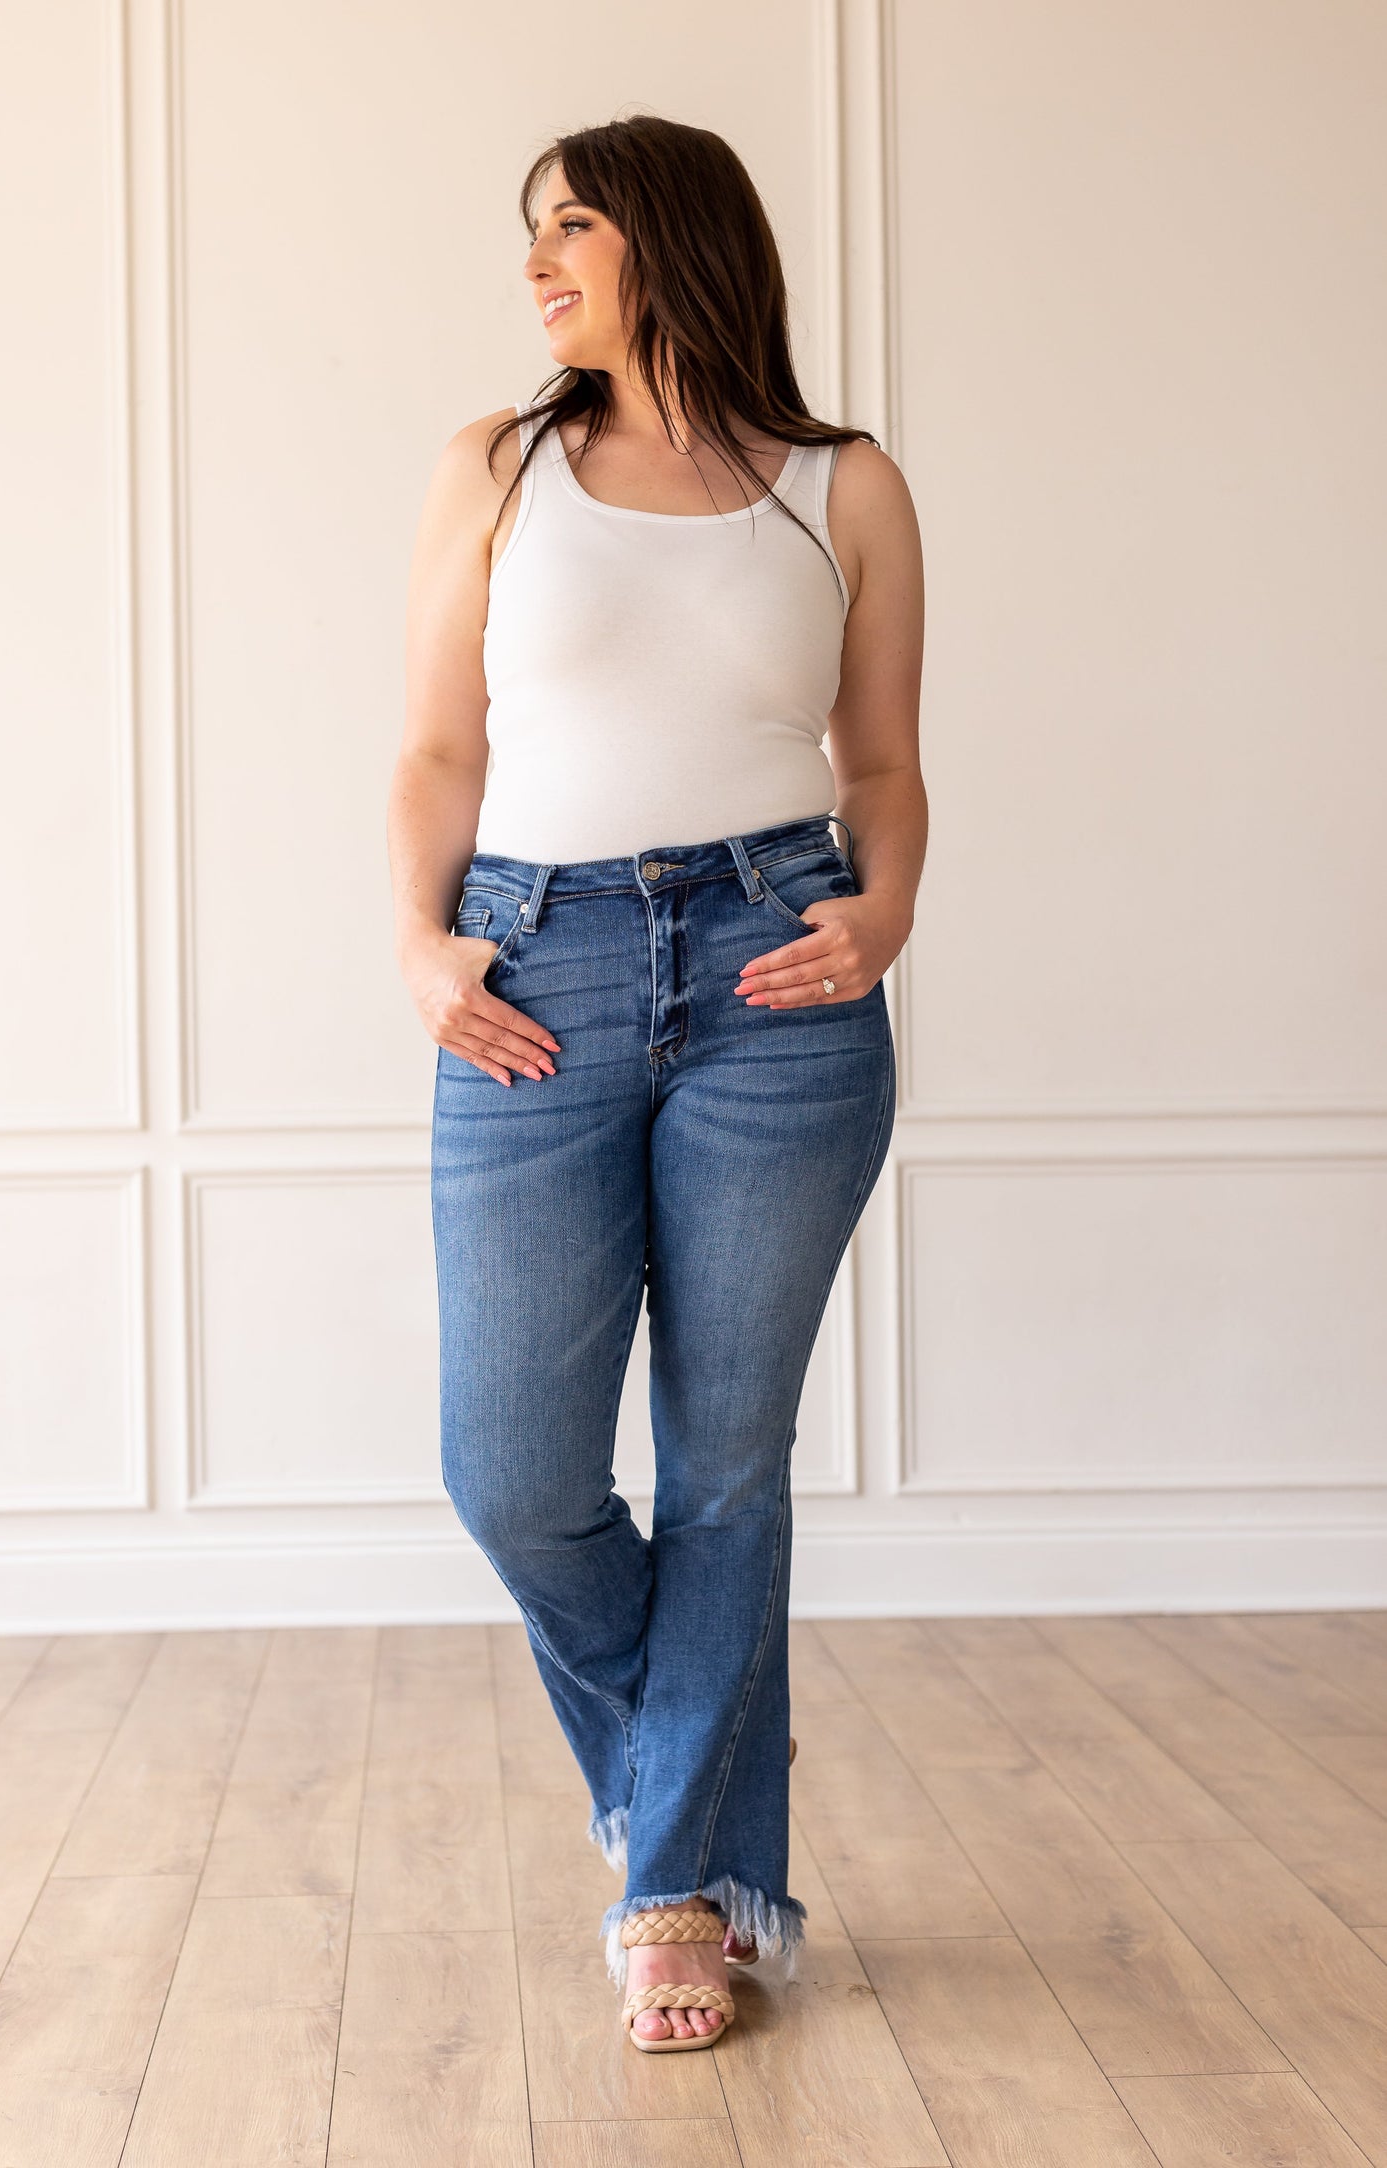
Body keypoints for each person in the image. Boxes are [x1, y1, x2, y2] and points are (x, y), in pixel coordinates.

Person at [388, 114, 926, 2053]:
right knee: (513, 1472)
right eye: (530, 232)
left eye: (573, 228)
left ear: (674, 236)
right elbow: (439, 750)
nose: (538, 265)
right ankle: (694, 1789)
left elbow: (884, 765)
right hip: (534, 972)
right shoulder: (500, 465)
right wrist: (422, 944)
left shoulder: (845, 486)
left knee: (724, 1468)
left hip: (781, 971)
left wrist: (889, 907)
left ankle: (671, 1895)